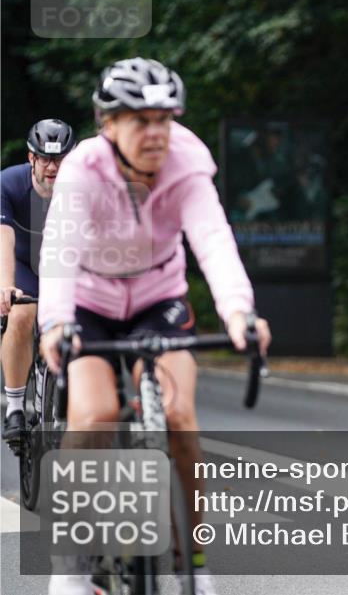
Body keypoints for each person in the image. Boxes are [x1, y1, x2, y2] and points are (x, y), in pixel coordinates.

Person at [37, 57, 271, 595]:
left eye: (164, 119)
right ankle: (71, 565)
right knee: (93, 415)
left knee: (180, 416)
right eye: (140, 120)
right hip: (91, 301)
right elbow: (59, 253)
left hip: (157, 297)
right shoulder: (82, 170)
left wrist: (238, 312)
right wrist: (55, 323)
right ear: (107, 124)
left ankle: (194, 557)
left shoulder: (187, 161)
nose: (155, 133)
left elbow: (212, 239)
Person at [1, 119, 77, 445]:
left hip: (63, 266)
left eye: (60, 159)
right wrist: (6, 286)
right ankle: (15, 408)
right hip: (21, 265)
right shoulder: (9, 184)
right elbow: (2, 240)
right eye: (44, 159)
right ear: (31, 158)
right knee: (21, 314)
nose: (52, 167)